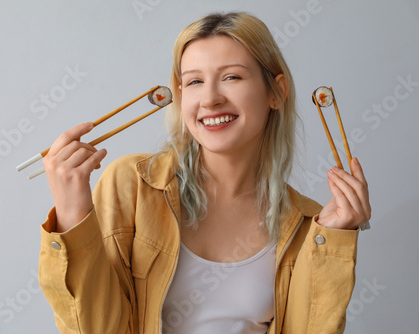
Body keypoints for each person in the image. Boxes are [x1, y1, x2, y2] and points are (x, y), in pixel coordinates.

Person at [38, 12, 371, 334]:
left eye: (232, 77)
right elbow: (95, 329)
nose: (210, 99)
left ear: (276, 92)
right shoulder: (130, 184)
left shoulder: (308, 225)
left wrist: (332, 241)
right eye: (194, 81)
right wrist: (72, 216)